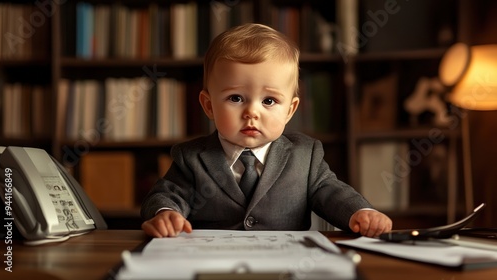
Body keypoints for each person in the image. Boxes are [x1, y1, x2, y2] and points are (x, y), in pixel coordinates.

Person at [141, 23, 392, 238]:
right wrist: (166, 214)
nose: (252, 112)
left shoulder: (305, 155)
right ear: (209, 105)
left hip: (286, 261)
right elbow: (166, 194)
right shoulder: (192, 157)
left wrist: (361, 212)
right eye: (236, 98)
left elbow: (332, 193)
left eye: (269, 101)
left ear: (290, 110)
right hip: (213, 259)